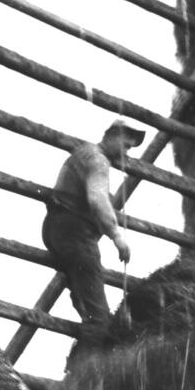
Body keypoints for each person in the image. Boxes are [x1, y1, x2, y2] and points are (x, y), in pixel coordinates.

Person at [41, 118, 145, 352]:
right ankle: (90, 367)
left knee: (85, 299)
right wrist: (117, 236)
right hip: (74, 233)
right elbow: (97, 199)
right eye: (126, 146)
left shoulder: (83, 153)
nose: (126, 153)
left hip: (54, 228)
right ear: (113, 136)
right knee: (99, 319)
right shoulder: (99, 160)